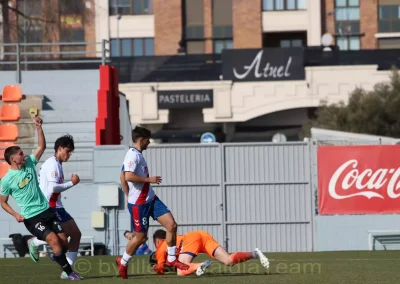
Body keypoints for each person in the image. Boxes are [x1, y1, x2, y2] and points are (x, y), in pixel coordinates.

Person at [0, 117, 81, 280]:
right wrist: (16, 215)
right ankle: (69, 272)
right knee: (55, 243)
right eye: (21, 153)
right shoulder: (7, 180)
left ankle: (56, 256)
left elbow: (41, 146)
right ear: (13, 159)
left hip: (47, 211)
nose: (24, 155)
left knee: (64, 244)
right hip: (31, 217)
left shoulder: (29, 163)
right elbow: (3, 201)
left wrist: (39, 127)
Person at [115, 126, 189, 279]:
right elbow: (127, 176)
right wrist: (148, 181)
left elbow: (122, 175)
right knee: (141, 237)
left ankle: (171, 259)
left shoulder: (137, 154)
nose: (149, 143)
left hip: (151, 199)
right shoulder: (132, 155)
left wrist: (127, 193)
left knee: (172, 225)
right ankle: (123, 262)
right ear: (141, 140)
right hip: (139, 204)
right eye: (148, 140)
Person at [27, 135, 81, 280]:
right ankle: (36, 242)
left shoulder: (56, 163)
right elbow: (52, 188)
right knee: (62, 243)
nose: (69, 154)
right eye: (67, 151)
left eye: (71, 152)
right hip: (51, 206)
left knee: (75, 235)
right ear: (59, 149)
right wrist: (72, 183)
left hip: (57, 206)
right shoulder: (52, 164)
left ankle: (66, 269)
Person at [150, 229, 270, 277]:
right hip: (202, 235)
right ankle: (254, 253)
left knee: (181, 271)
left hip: (191, 239)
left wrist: (157, 268)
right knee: (228, 260)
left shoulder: (162, 246)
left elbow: (161, 269)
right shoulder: (172, 242)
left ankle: (200, 265)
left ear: (159, 240)